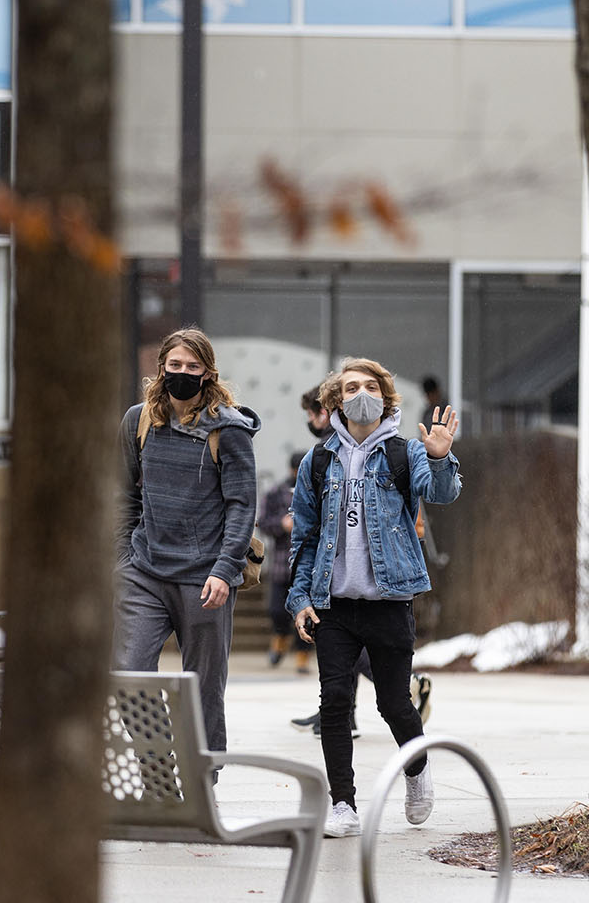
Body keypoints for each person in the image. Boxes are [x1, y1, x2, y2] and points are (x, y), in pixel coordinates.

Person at [287, 357, 461, 838]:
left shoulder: (407, 453)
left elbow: (441, 493)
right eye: (350, 388)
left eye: (369, 386)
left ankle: (417, 769)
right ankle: (343, 803)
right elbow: (303, 535)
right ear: (335, 401)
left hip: (389, 599)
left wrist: (442, 456)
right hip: (333, 605)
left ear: (384, 397)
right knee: (335, 702)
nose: (360, 394)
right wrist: (299, 596)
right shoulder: (318, 461)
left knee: (393, 703)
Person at [115, 327, 261, 763]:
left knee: (203, 686)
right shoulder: (138, 420)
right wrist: (122, 561)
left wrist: (223, 569)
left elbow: (241, 506)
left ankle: (203, 781)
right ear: (160, 369)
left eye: (192, 367)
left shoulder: (229, 431)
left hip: (205, 579)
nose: (182, 374)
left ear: (208, 373)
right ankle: (158, 775)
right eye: (174, 366)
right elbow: (125, 495)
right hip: (145, 572)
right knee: (129, 675)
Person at [259, 452, 309, 672]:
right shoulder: (276, 493)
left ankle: (302, 657)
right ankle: (280, 638)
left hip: (307, 565)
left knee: (307, 613)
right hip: (281, 563)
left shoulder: (313, 490)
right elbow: (263, 523)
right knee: (277, 610)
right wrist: (282, 525)